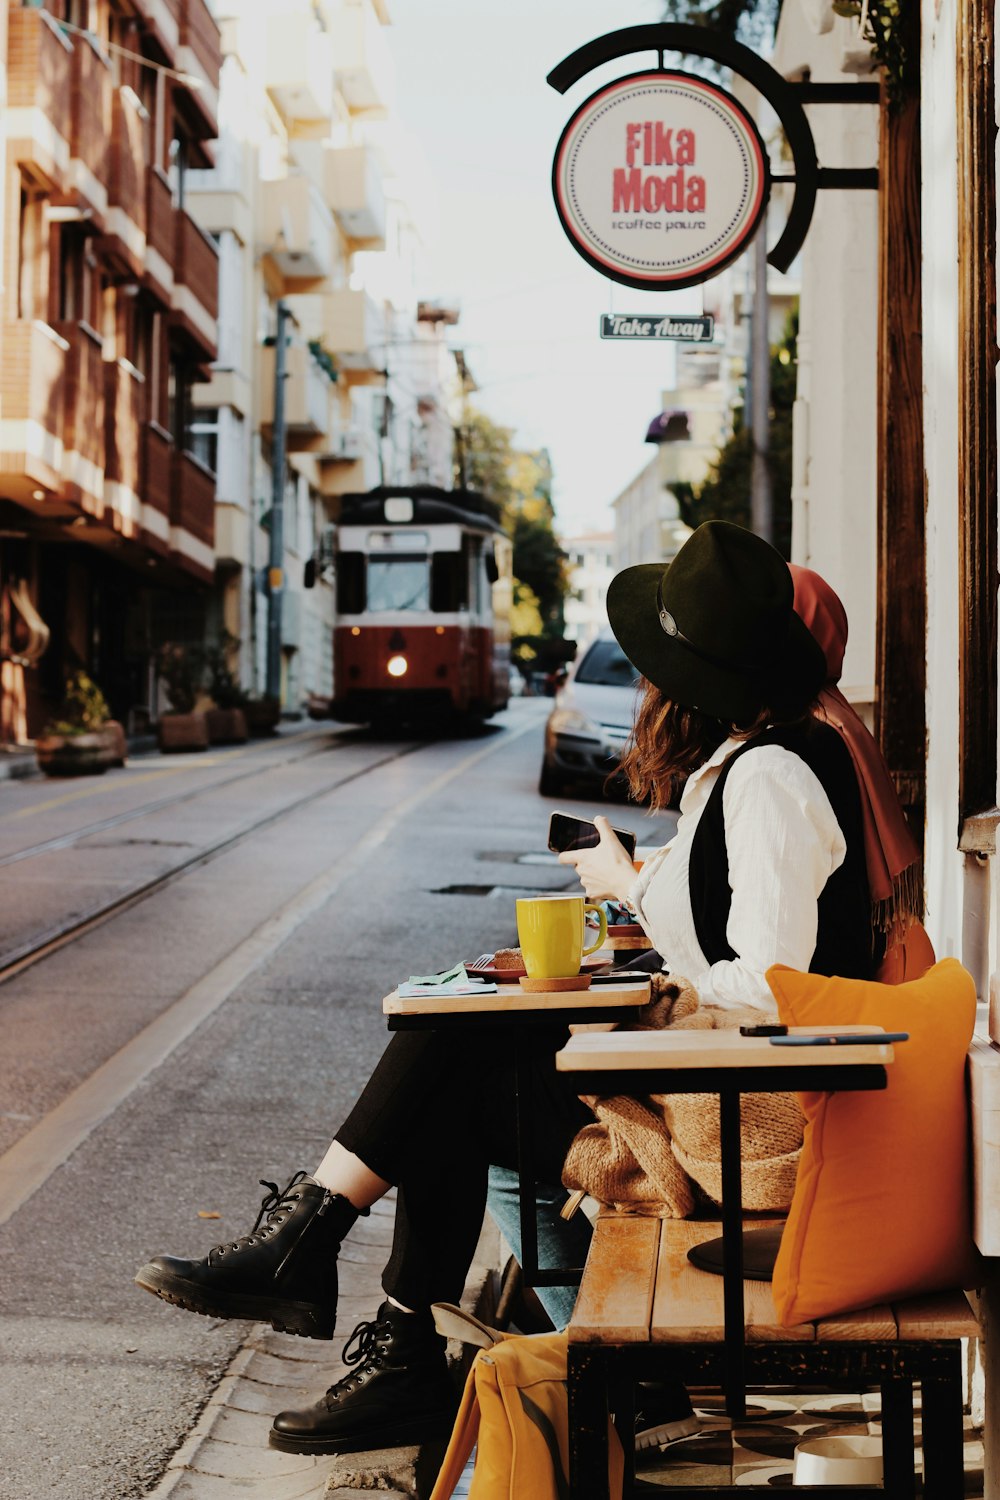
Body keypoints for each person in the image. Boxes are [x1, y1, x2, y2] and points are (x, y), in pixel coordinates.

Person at [133, 521, 878, 1457]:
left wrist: (633, 893)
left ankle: (349, 1287)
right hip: (731, 1094)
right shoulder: (763, 763)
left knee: (452, 1072)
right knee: (458, 1044)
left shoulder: (770, 776)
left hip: (746, 1130)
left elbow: (770, 985)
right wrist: (643, 913)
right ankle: (350, 1293)